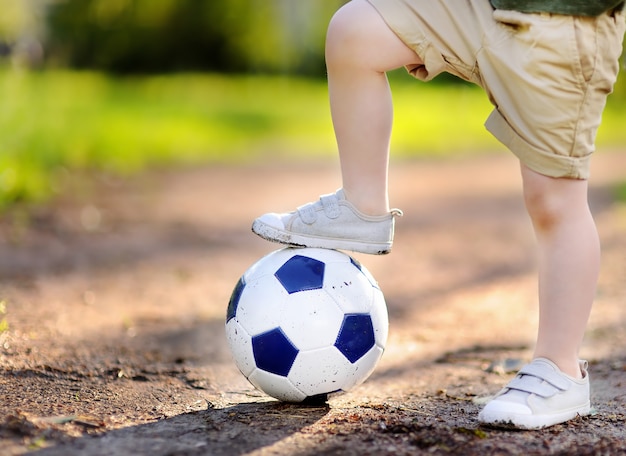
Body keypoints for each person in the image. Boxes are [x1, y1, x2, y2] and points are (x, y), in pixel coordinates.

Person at [252, 0, 626, 429]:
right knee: (355, 32)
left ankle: (559, 370)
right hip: (482, 6)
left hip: (565, 21)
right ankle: (363, 205)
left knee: (554, 201)